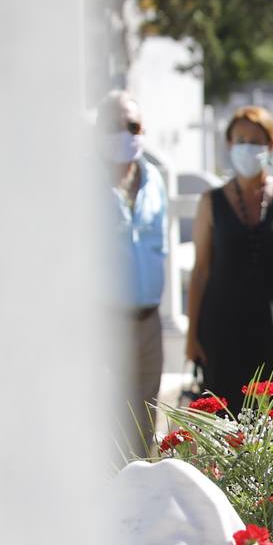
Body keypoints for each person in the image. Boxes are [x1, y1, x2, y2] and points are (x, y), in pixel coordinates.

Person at [186, 106, 273, 409]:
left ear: (270, 146)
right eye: (240, 140)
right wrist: (192, 334)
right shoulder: (210, 202)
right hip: (224, 331)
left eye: (256, 141)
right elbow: (201, 271)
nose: (247, 148)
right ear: (229, 145)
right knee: (227, 427)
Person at [101, 90, 167, 455]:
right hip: (103, 322)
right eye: (114, 125)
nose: (125, 133)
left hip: (149, 320)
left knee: (145, 422)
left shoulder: (154, 179)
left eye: (133, 125)